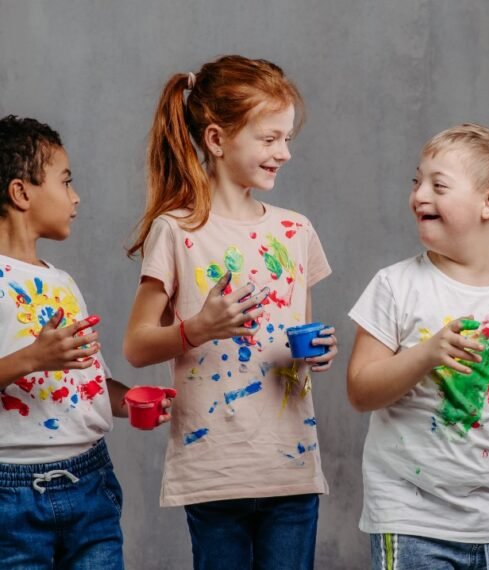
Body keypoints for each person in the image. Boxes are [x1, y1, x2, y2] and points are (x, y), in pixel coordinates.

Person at [123, 55, 337, 570]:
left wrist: (317, 352)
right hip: (214, 470)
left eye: (286, 139)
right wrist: (196, 328)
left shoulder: (296, 231)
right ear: (217, 140)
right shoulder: (176, 231)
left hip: (291, 468)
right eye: (268, 139)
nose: (283, 153)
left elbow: (295, 335)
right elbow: (136, 346)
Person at [347, 123, 489, 569]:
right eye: (417, 182)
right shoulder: (395, 286)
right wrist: (427, 354)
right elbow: (360, 391)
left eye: (438, 185)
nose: (419, 195)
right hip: (412, 518)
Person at [0, 114, 151, 568]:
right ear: (21, 192)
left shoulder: (61, 281)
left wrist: (134, 402)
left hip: (91, 481)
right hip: (11, 494)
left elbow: (89, 381)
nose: (76, 196)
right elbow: (38, 361)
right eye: (65, 182)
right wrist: (33, 357)